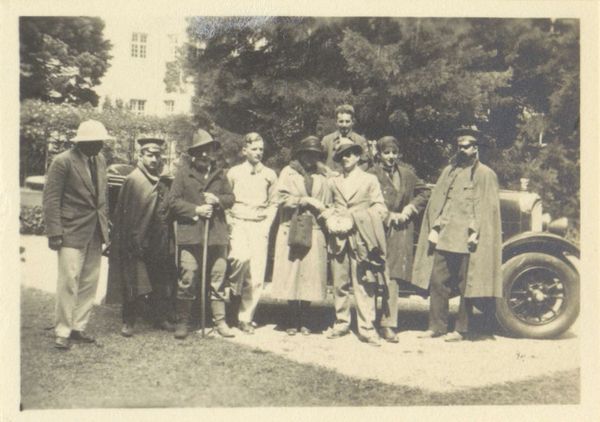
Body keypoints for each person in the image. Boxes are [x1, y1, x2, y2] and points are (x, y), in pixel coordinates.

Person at [412, 126, 502, 342]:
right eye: (459, 146)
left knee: (465, 285)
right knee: (438, 281)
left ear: (476, 148)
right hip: (445, 236)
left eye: (466, 146)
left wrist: (475, 233)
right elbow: (440, 202)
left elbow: (486, 208)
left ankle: (461, 329)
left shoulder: (485, 174)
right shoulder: (449, 171)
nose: (462, 150)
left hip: (467, 240)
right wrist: (435, 228)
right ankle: (436, 326)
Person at [42, 119, 112, 350]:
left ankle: (78, 327)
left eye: (102, 141)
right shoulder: (62, 161)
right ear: (83, 142)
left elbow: (102, 197)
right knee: (69, 281)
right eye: (97, 141)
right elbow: (51, 199)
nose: (101, 145)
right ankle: (62, 330)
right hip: (71, 230)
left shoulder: (100, 160)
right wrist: (54, 232)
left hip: (95, 230)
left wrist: (105, 227)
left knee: (90, 280)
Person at [167, 129, 236, 339]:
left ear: (213, 152)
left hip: (216, 235)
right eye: (200, 151)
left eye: (208, 150)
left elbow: (231, 198)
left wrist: (217, 200)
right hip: (191, 236)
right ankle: (183, 321)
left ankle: (220, 321)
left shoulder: (220, 174)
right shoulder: (183, 174)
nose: (205, 155)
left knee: (218, 278)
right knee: (188, 277)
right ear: (193, 154)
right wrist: (196, 210)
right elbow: (172, 202)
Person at [106, 137, 176, 337]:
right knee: (133, 279)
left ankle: (159, 317)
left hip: (158, 237)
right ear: (141, 155)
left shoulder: (164, 179)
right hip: (137, 237)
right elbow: (122, 213)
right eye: (149, 155)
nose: (154, 159)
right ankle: (129, 320)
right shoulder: (134, 179)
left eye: (157, 155)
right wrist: (125, 238)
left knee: (160, 277)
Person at [324, 138, 389, 346]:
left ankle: (367, 328)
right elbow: (326, 206)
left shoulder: (369, 179)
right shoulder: (332, 181)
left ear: (358, 156)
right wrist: (332, 218)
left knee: (363, 284)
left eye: (350, 153)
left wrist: (358, 217)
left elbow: (380, 208)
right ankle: (341, 322)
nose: (346, 157)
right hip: (338, 238)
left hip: (361, 239)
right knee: (339, 283)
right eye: (341, 154)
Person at [367, 136, 430, 342]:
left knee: (392, 278)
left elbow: (424, 192)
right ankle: (368, 323)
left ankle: (388, 324)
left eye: (394, 152)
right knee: (371, 275)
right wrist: (385, 215)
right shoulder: (370, 174)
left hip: (399, 232)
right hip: (375, 230)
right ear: (379, 154)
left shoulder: (407, 174)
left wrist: (410, 208)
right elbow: (364, 200)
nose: (391, 156)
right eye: (386, 152)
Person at [270, 136, 332, 335]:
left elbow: (329, 200)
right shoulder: (288, 172)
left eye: (315, 154)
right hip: (293, 226)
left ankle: (305, 318)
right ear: (300, 154)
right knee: (292, 273)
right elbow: (280, 198)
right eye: (307, 154)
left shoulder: (323, 175)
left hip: (314, 228)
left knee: (310, 275)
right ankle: (291, 318)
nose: (311, 158)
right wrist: (304, 200)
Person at [226, 132, 278, 334]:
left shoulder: (270, 174)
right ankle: (234, 292)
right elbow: (226, 199)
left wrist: (266, 225)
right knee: (239, 258)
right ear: (244, 150)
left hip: (259, 225)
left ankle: (245, 318)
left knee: (256, 275)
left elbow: (274, 203)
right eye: (254, 149)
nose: (258, 152)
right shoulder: (234, 172)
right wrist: (229, 220)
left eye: (261, 149)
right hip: (238, 223)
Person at [319, 104, 370, 175]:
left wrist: (353, 174)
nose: (344, 125)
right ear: (336, 122)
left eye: (347, 121)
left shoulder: (360, 140)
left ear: (353, 122)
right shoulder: (327, 140)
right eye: (341, 121)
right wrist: (326, 170)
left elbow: (365, 163)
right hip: (331, 177)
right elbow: (318, 160)